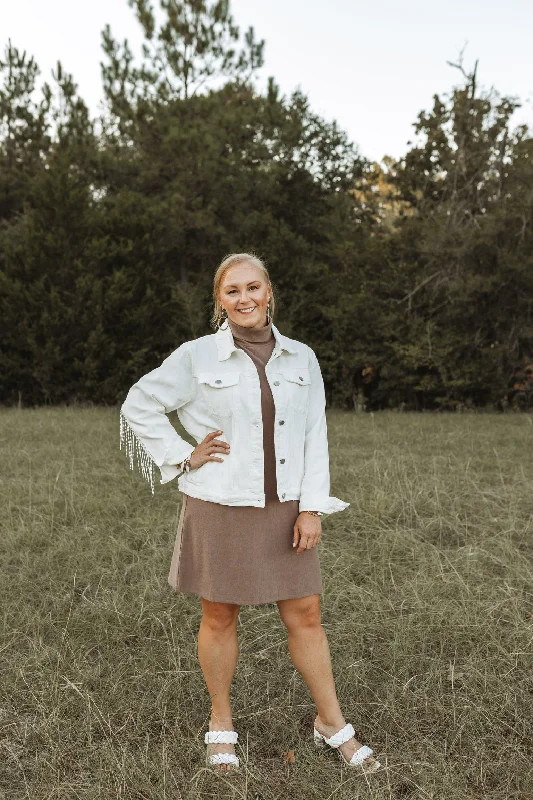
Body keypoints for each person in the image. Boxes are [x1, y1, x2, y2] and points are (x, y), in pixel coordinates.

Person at [119, 252, 382, 775]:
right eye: (233, 290)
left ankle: (330, 722)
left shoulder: (302, 358)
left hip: (286, 506)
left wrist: (311, 508)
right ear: (220, 300)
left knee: (306, 615)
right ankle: (221, 722)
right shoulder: (197, 357)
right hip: (220, 503)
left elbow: (315, 437)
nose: (245, 298)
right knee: (220, 615)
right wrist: (181, 456)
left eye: (253, 287)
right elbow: (139, 401)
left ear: (269, 293)